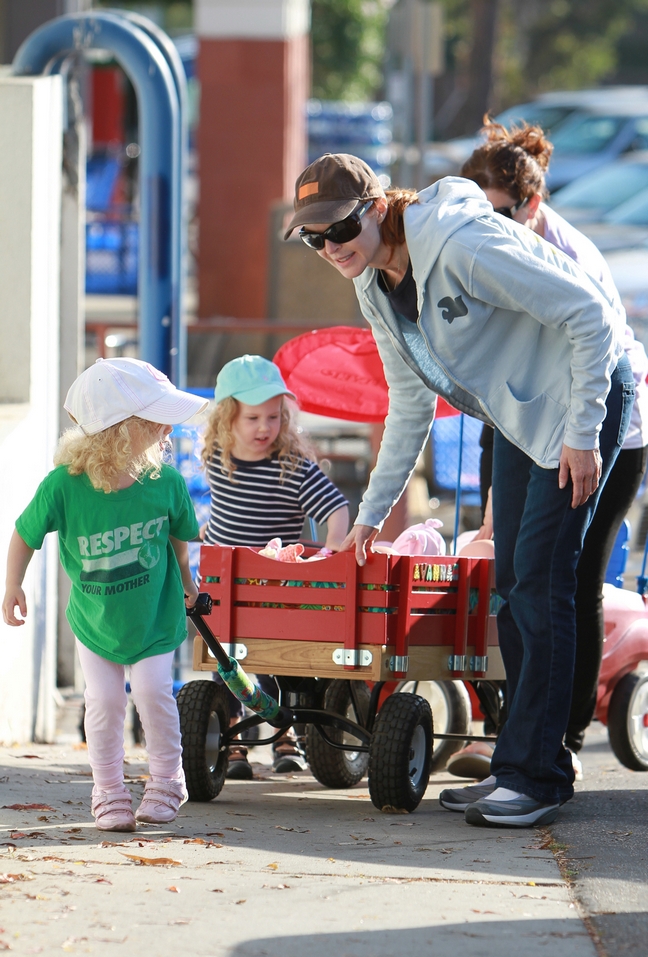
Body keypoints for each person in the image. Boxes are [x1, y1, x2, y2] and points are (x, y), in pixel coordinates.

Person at [284, 152, 634, 828]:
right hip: (518, 413)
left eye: (340, 229)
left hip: (580, 397)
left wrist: (584, 432)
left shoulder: (462, 242)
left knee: (544, 583)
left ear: (378, 206)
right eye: (314, 237)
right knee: (509, 584)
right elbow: (409, 403)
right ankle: (514, 766)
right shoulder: (374, 281)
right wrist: (371, 515)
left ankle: (541, 776)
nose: (330, 247)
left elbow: (591, 314)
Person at [453, 121, 648, 781]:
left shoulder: (565, 255)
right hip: (538, 421)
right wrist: (488, 497)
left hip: (608, 427)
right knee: (517, 579)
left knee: (569, 578)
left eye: (495, 214)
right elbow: (500, 381)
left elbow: (600, 366)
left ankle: (556, 739)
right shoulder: (493, 249)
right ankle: (524, 729)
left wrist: (581, 443)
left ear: (530, 206)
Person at [2, 358, 208, 833]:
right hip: (95, 623)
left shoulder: (166, 483)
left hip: (155, 618)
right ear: (122, 429)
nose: (166, 429)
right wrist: (13, 584)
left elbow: (179, 545)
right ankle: (109, 791)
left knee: (155, 692)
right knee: (105, 702)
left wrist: (189, 586)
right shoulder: (63, 487)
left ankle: (166, 781)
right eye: (155, 420)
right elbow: (23, 535)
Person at [201, 354, 349, 779]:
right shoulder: (215, 457)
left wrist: (334, 546)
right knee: (224, 661)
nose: (264, 428)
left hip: (274, 585)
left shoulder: (293, 467)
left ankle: (284, 734)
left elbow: (336, 507)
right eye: (252, 418)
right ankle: (231, 740)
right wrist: (202, 532)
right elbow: (226, 512)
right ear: (226, 418)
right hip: (224, 582)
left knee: (275, 661)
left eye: (273, 417)